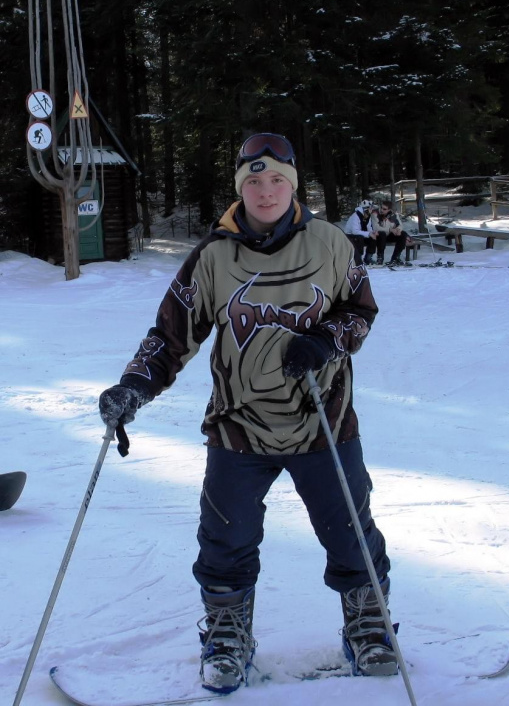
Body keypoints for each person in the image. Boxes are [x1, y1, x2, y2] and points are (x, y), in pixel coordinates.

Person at [98, 133, 397, 694]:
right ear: (240, 189)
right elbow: (171, 334)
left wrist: (327, 339)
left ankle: (369, 622)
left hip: (323, 421)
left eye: (276, 180)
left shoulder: (332, 244)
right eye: (253, 181)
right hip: (238, 426)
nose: (265, 190)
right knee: (225, 537)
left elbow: (361, 309)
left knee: (351, 530)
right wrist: (133, 386)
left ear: (293, 185)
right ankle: (228, 631)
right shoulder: (214, 255)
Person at [371, 200, 408, 266]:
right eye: (381, 208)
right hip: (377, 236)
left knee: (403, 234)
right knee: (382, 234)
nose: (382, 210)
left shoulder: (394, 215)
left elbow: (400, 225)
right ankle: (380, 258)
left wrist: (398, 230)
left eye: (384, 209)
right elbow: (376, 228)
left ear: (389, 210)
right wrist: (390, 230)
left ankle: (395, 258)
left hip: (389, 235)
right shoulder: (375, 214)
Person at [344, 200, 378, 264]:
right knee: (360, 238)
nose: (370, 212)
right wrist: (369, 234)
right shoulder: (355, 216)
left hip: (360, 235)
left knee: (373, 238)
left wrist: (373, 233)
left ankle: (368, 258)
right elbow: (355, 231)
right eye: (369, 210)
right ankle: (357, 259)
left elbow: (369, 228)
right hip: (350, 237)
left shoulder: (368, 217)